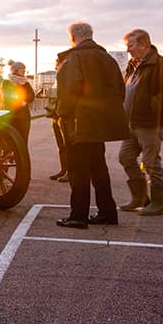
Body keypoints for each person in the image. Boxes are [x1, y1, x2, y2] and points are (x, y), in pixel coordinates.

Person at [56, 22, 128, 229]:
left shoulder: (74, 57)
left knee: (78, 169)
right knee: (98, 167)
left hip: (79, 123)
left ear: (72, 37)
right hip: (100, 123)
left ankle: (78, 215)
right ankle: (107, 211)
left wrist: (63, 114)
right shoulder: (107, 58)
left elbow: (69, 91)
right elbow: (120, 90)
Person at [117, 29, 163, 216]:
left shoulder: (162, 65)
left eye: (131, 45)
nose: (128, 50)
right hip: (132, 123)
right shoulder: (132, 65)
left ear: (144, 44)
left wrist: (159, 118)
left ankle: (158, 203)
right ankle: (140, 197)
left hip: (151, 124)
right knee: (125, 157)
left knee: (151, 162)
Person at [46, 57, 70, 182]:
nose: (56, 68)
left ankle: (70, 172)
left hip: (63, 115)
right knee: (61, 145)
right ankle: (63, 169)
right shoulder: (57, 79)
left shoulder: (67, 78)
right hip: (54, 114)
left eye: (57, 65)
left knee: (67, 145)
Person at [3, 60, 35, 143]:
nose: (24, 71)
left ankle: (24, 156)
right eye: (22, 69)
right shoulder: (6, 83)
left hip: (24, 117)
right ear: (15, 70)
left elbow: (31, 96)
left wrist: (22, 99)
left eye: (24, 69)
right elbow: (6, 97)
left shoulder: (25, 83)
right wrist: (22, 100)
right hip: (11, 116)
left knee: (23, 140)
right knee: (11, 141)